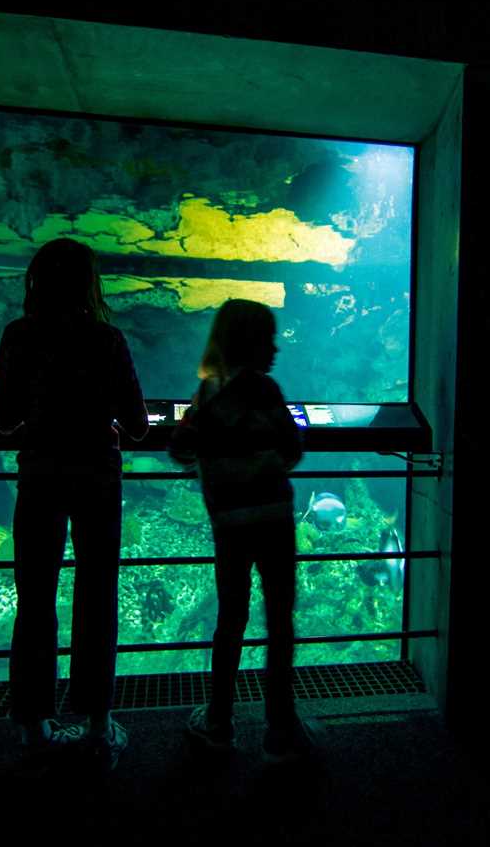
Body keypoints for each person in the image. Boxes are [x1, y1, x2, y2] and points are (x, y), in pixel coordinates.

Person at [0, 238, 148, 769]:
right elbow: (138, 425)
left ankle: (33, 725)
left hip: (39, 477)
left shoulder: (18, 336)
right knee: (97, 594)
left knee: (35, 597)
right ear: (89, 284)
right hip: (97, 480)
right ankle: (98, 724)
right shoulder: (106, 338)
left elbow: (5, 419)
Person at [168, 299, 318, 763]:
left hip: (230, 526)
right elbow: (293, 449)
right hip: (273, 520)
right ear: (248, 344)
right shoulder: (268, 391)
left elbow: (181, 450)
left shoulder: (206, 393)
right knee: (278, 621)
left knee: (230, 620)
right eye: (267, 339)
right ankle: (280, 725)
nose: (275, 348)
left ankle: (219, 721)